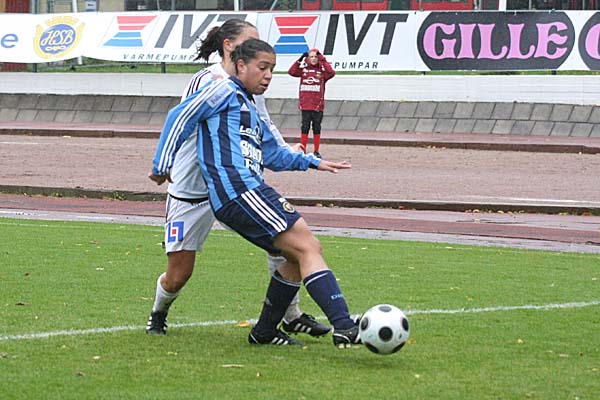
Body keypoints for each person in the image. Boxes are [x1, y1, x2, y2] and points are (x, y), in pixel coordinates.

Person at [151, 38, 361, 348]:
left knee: (295, 256)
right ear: (240, 65)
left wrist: (313, 162)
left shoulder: (249, 107)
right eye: (262, 67)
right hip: (238, 190)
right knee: (307, 246)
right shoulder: (221, 90)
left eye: (272, 69)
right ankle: (344, 326)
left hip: (248, 190)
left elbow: (273, 155)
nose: (268, 76)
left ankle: (264, 331)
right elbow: (180, 116)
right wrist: (162, 164)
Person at [288, 48, 335, 159]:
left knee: (316, 127)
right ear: (308, 58)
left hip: (318, 105)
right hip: (305, 105)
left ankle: (316, 151)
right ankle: (303, 149)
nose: (313, 59)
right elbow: (292, 72)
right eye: (311, 57)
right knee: (305, 127)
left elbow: (331, 73)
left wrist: (323, 59)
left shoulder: (322, 72)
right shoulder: (303, 71)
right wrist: (300, 59)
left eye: (315, 57)